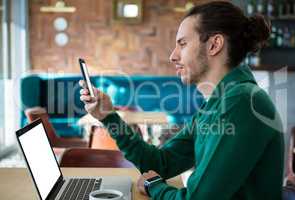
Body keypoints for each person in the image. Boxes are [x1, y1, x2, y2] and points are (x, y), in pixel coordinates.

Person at [79, 1, 284, 199]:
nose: (173, 56)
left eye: (183, 44)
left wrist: (155, 187)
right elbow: (160, 164)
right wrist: (108, 116)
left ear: (214, 45)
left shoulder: (241, 102)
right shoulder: (218, 102)